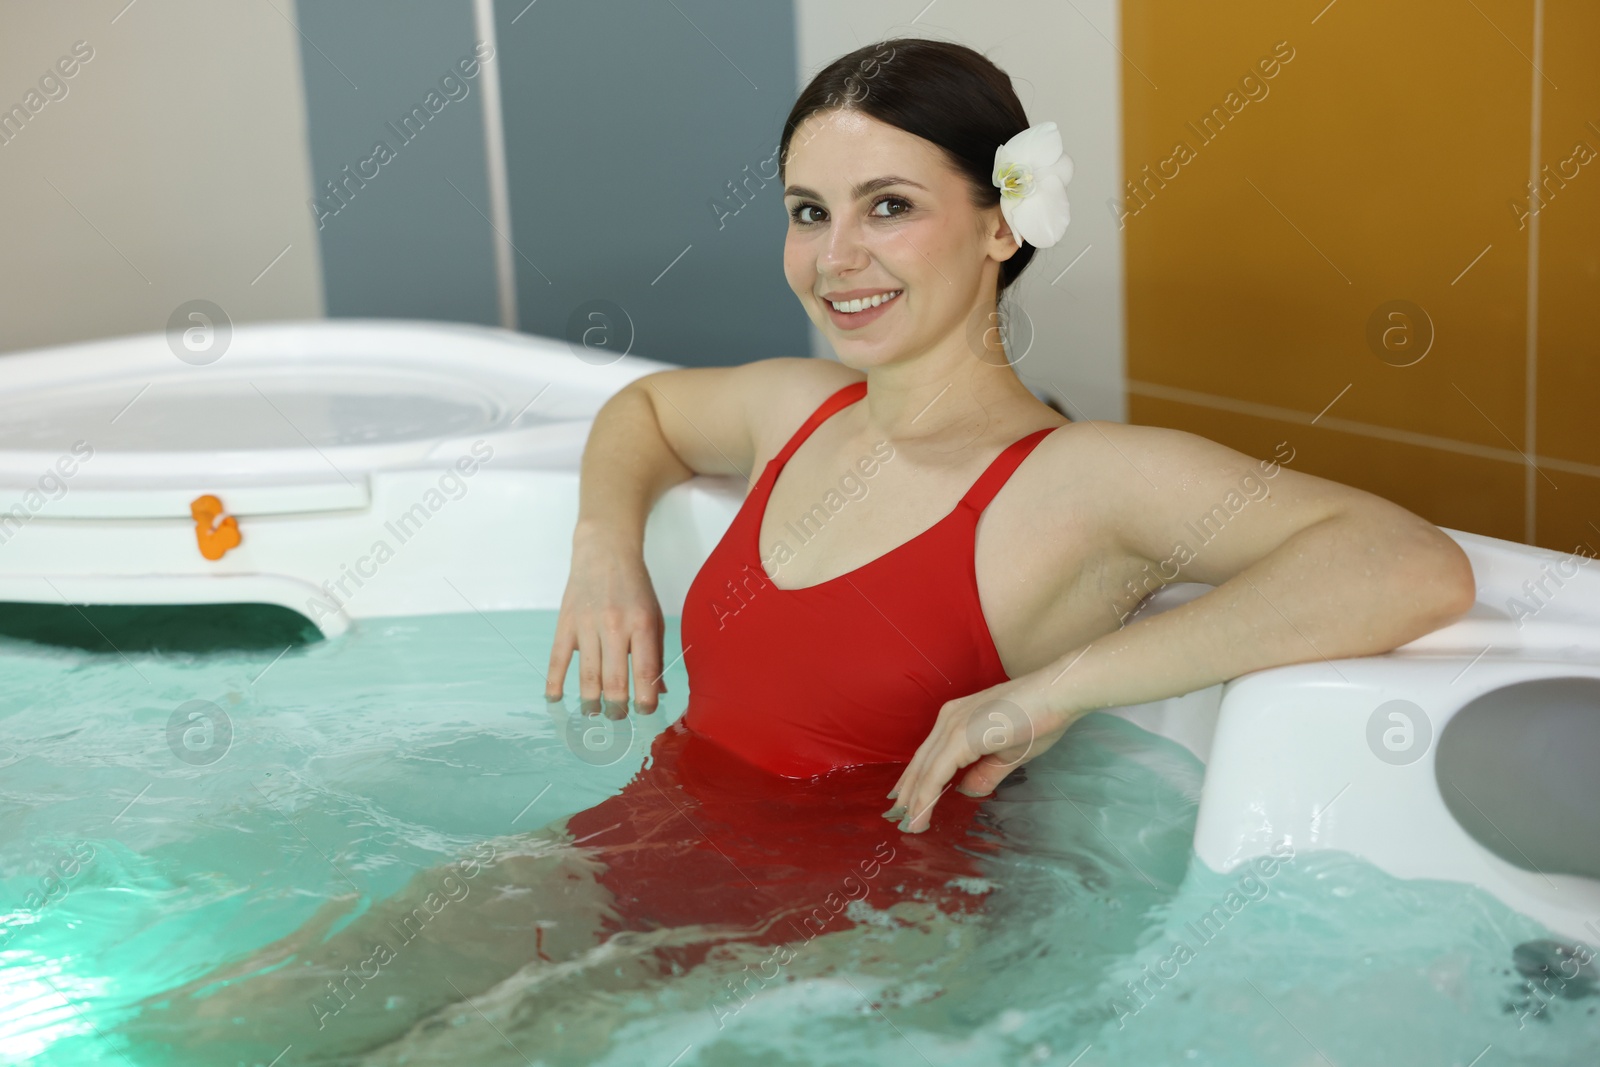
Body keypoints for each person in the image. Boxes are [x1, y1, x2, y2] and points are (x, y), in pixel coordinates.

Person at [121, 36, 1475, 1063]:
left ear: (1002, 223)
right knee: (234, 1012)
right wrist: (607, 548)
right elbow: (642, 412)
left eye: (889, 205)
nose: (837, 256)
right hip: (633, 838)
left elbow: (1406, 566)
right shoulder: (796, 407)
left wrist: (1053, 690)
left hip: (847, 929)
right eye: (808, 210)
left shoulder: (1082, 483)